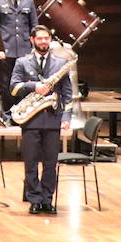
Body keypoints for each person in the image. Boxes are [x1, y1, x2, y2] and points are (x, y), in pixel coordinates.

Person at [11, 26, 74, 214]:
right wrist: (33, 86)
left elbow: (67, 93)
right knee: (30, 163)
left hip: (53, 119)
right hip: (31, 119)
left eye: (46, 38)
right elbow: (13, 88)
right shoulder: (22, 62)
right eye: (40, 39)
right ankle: (34, 199)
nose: (44, 42)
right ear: (32, 40)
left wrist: (66, 117)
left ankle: (47, 199)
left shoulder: (61, 63)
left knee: (50, 163)